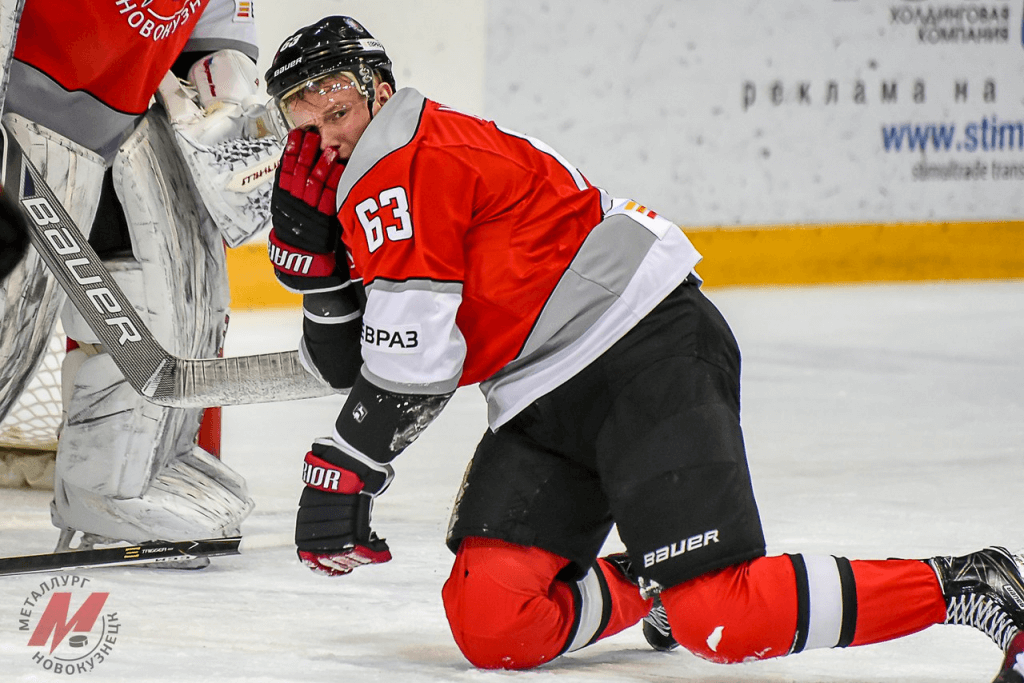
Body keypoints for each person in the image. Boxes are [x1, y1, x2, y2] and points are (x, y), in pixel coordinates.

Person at [264, 15, 1024, 681]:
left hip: (642, 351)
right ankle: (653, 578)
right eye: (309, 125)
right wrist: (320, 275)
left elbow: (414, 367)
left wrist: (346, 467)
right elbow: (353, 365)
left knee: (723, 617)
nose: (330, 137)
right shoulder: (376, 175)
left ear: (380, 90)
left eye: (340, 110)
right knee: (494, 620)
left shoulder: (405, 164)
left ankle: (967, 582)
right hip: (540, 392)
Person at [0, 0, 280, 553]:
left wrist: (229, 101)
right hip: (19, 120)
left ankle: (116, 487)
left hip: (122, 123)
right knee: (9, 324)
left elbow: (213, 32)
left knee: (171, 299)